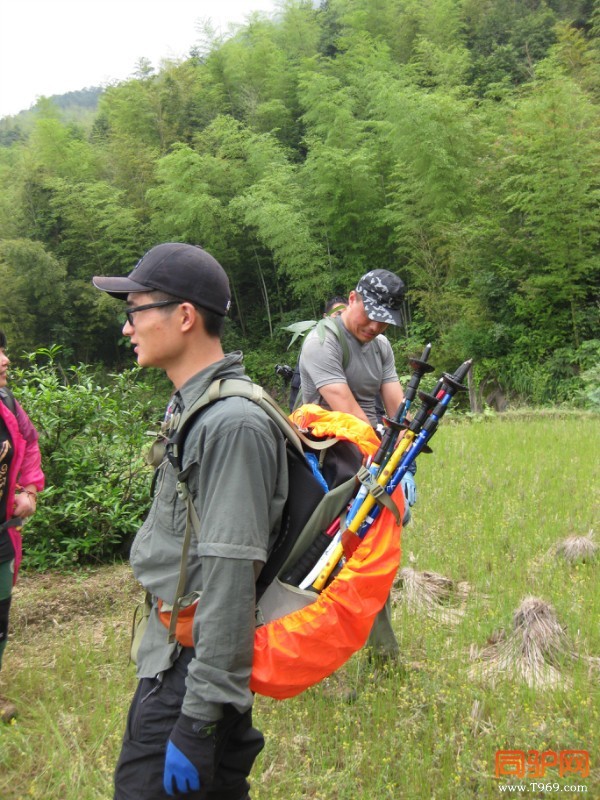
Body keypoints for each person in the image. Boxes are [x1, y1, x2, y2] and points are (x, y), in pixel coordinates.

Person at [93, 243, 288, 800]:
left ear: (183, 316)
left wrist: (198, 721)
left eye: (135, 310)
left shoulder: (233, 426)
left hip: (190, 674)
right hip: (177, 658)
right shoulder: (194, 408)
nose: (127, 327)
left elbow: (229, 578)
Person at [298, 269, 412, 664]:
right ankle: (309, 646)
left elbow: (397, 406)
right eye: (371, 314)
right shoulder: (322, 341)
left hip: (368, 456)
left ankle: (380, 652)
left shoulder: (380, 347)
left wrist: (406, 457)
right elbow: (344, 410)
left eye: (385, 320)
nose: (375, 325)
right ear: (352, 298)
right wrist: (385, 456)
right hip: (323, 460)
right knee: (323, 558)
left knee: (369, 548)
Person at [0, 330, 45, 723]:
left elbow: (28, 443)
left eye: (2, 351)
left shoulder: (8, 403)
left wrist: (29, 489)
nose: (4, 361)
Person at [288, 295, 347, 412]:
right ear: (325, 317)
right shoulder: (315, 343)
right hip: (317, 417)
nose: (342, 319)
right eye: (338, 314)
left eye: (346, 315)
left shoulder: (351, 347)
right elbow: (297, 385)